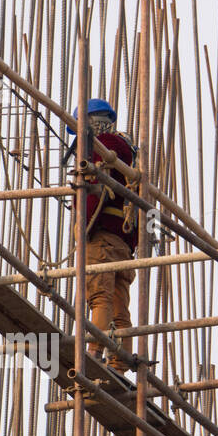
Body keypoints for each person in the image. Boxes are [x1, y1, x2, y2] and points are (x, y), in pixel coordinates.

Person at [71, 98, 137, 372]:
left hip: (101, 237)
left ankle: (94, 353)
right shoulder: (127, 150)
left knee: (100, 298)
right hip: (123, 242)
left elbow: (92, 192)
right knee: (120, 307)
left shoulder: (102, 148)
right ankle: (119, 364)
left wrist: (81, 224)